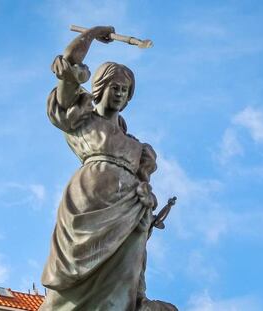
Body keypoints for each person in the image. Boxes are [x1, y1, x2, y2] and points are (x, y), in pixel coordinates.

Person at [40, 26, 177, 311]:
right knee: (73, 281)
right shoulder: (81, 118)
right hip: (88, 203)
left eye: (125, 90)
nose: (119, 94)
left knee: (122, 283)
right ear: (100, 87)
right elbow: (68, 66)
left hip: (128, 209)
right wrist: (91, 34)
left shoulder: (138, 147)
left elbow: (144, 184)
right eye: (114, 87)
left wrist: (147, 199)